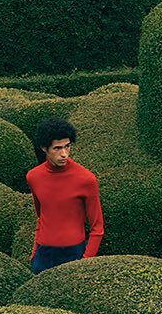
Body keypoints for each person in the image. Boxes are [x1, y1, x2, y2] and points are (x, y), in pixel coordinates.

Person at [26, 116, 104, 273]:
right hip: (43, 255)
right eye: (57, 148)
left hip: (73, 254)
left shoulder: (86, 179)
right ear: (44, 148)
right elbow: (41, 217)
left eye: (67, 146)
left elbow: (98, 227)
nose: (64, 154)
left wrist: (85, 262)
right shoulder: (33, 177)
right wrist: (34, 253)